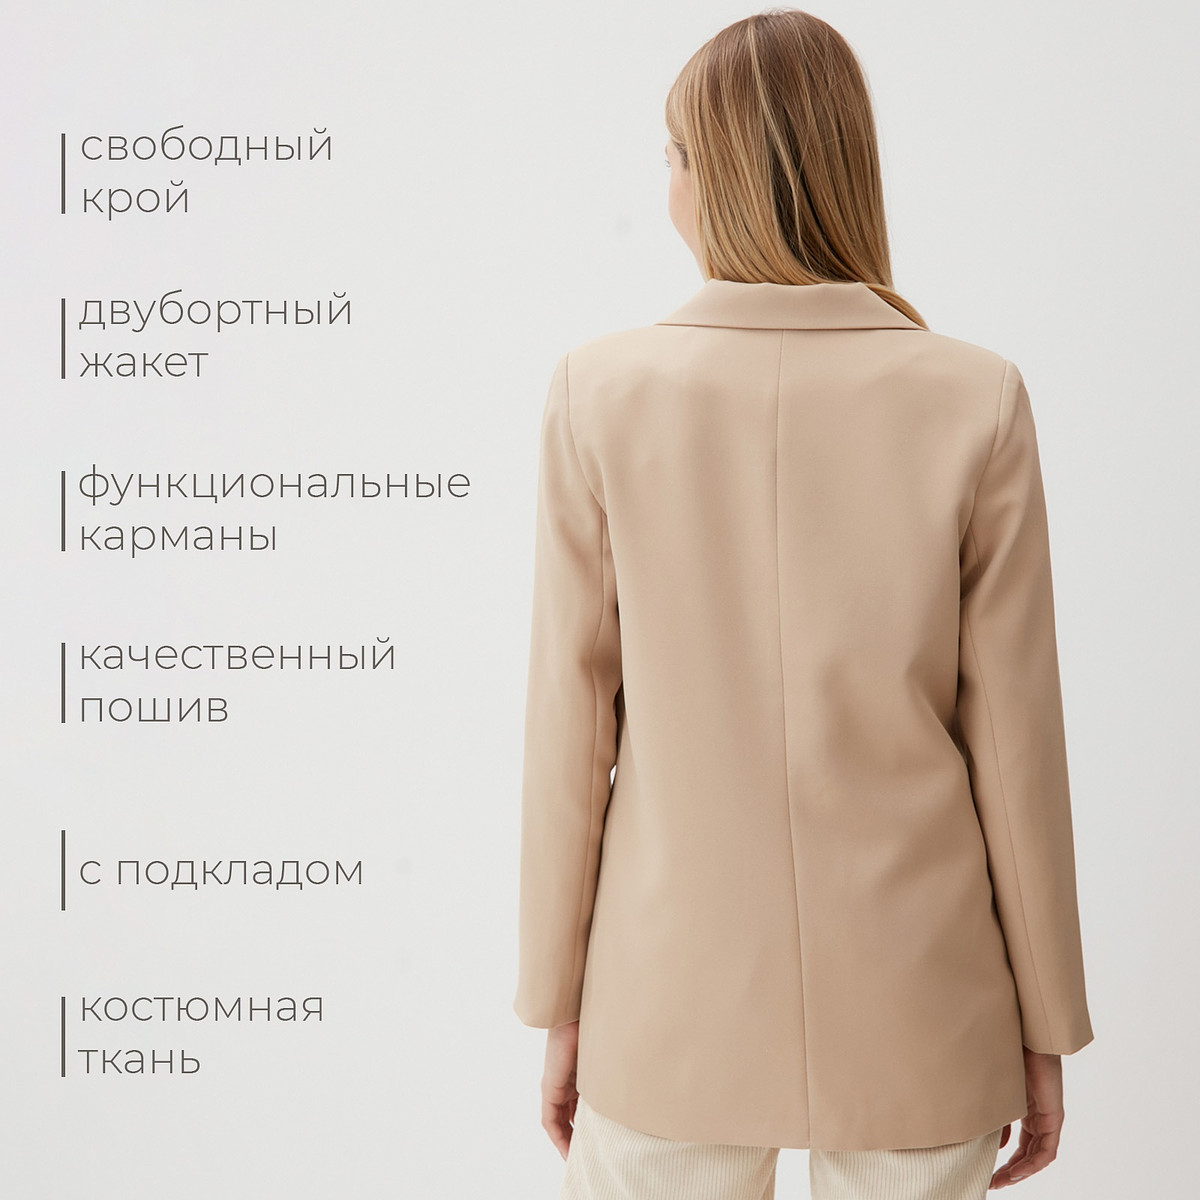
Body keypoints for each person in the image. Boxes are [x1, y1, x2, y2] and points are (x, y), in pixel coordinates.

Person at [513, 9, 1094, 1199]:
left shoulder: (598, 395)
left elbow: (571, 734)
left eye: (674, 156)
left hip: (666, 1000)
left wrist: (559, 1005)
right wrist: (1043, 1024)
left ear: (714, 177)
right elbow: (1015, 743)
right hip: (921, 997)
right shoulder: (975, 398)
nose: (668, 189)